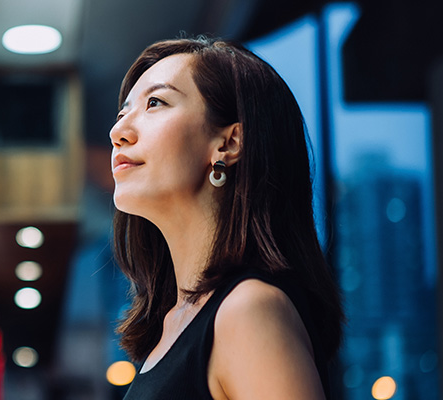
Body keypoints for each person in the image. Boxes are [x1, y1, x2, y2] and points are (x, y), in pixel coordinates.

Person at [109, 37, 342, 399]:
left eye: (155, 102)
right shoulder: (175, 323)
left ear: (229, 143)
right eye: (123, 113)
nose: (118, 132)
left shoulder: (248, 310)